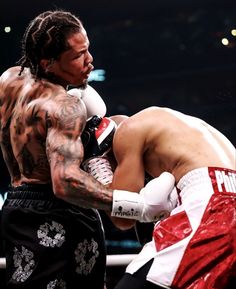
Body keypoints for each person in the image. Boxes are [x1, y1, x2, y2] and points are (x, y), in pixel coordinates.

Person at [0, 10, 177, 289]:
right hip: (61, 214)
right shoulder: (65, 106)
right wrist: (138, 208)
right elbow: (65, 182)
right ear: (48, 63)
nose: (90, 60)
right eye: (77, 56)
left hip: (16, 207)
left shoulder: (9, 79)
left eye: (88, 50)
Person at [101, 106, 235, 289]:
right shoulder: (183, 129)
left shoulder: (127, 131)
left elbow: (123, 219)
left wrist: (100, 170)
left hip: (211, 208)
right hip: (220, 203)